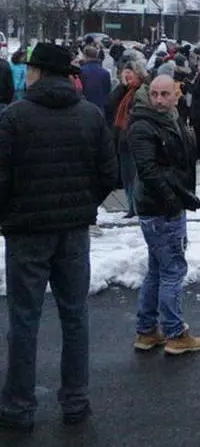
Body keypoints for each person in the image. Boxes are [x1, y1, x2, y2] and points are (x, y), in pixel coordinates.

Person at [0, 43, 119, 431]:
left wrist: (9, 215)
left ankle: (19, 406)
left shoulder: (14, 117)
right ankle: (75, 400)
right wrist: (84, 205)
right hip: (73, 232)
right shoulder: (89, 115)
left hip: (26, 232)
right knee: (75, 315)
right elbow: (108, 174)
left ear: (37, 72)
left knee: (24, 319)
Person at [128, 75, 200, 356]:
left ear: (175, 94)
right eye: (155, 94)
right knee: (172, 270)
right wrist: (171, 201)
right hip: (160, 209)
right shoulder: (143, 124)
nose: (159, 99)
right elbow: (148, 170)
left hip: (165, 204)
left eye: (164, 94)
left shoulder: (170, 118)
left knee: (158, 269)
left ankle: (147, 330)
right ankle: (174, 333)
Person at [110, 61, 151, 217]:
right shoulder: (126, 91)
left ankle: (136, 206)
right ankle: (131, 207)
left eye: (130, 72)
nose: (126, 76)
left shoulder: (141, 91)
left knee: (135, 174)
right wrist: (122, 85)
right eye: (125, 73)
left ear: (138, 73)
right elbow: (111, 102)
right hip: (123, 137)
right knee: (126, 174)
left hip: (134, 137)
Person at [78, 45, 111, 113]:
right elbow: (107, 91)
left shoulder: (80, 71)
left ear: (85, 55)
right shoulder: (105, 73)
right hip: (100, 107)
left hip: (84, 107)